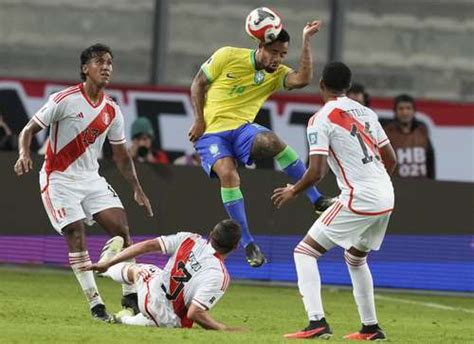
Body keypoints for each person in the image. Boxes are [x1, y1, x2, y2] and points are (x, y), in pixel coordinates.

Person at [13, 43, 153, 321]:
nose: (106, 67)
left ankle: (130, 296)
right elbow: (29, 130)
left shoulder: (112, 110)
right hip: (59, 179)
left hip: (92, 179)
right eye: (100, 62)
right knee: (76, 235)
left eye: (110, 63)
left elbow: (122, 157)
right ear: (84, 68)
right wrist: (23, 153)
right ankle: (96, 305)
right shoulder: (63, 100)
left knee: (122, 231)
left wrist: (137, 188)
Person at [188, 20, 335, 268]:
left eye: (283, 54)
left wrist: (306, 41)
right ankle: (248, 243)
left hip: (243, 129)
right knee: (228, 174)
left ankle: (317, 200)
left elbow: (302, 79)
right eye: (274, 52)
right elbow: (198, 83)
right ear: (260, 45)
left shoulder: (275, 74)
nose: (278, 59)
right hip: (212, 133)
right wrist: (199, 120)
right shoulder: (227, 55)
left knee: (272, 140)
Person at [272, 62, 397, 340]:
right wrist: (374, 187)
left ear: (321, 85)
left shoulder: (320, 119)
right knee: (355, 258)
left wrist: (293, 191)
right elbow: (391, 159)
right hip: (386, 195)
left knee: (304, 252)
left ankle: (316, 322)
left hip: (360, 196)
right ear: (349, 87)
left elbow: (316, 171)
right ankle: (370, 328)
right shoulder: (367, 113)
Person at [84, 219, 242, 331]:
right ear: (235, 247)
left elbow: (148, 245)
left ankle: (106, 266)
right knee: (153, 275)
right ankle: (121, 319)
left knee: (140, 271)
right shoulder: (220, 276)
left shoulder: (190, 239)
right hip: (174, 321)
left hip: (155, 299)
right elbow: (195, 313)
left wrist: (109, 263)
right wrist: (223, 328)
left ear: (211, 234)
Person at [383, 94, 435, 179]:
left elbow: (430, 163)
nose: (405, 112)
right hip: (397, 186)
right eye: (401, 109)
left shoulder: (422, 131)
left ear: (414, 111)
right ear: (395, 111)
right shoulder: (387, 133)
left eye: (408, 108)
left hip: (423, 186)